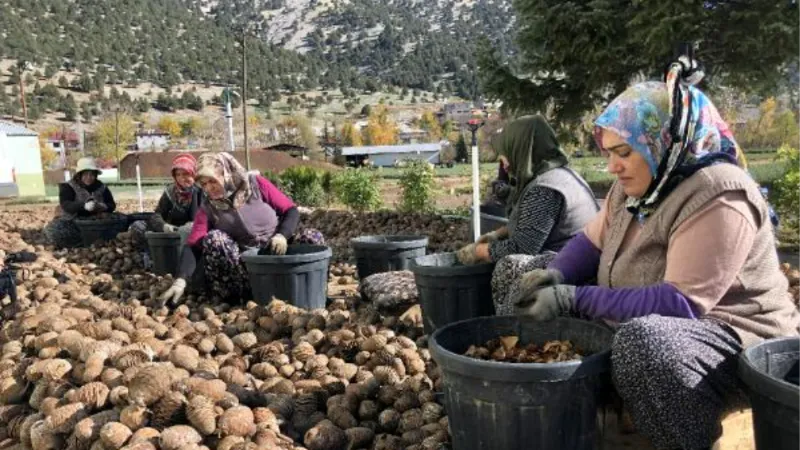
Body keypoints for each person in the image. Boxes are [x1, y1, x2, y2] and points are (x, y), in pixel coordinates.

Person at [513, 74, 800, 449]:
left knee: (645, 344)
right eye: (609, 153)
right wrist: (557, 273)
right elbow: (590, 241)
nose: (613, 166)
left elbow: (680, 304)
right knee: (517, 271)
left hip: (728, 343)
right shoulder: (639, 185)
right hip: (637, 317)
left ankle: (687, 440)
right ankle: (566, 425)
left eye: (625, 152)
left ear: (665, 143)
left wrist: (572, 299)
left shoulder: (720, 193)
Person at [455, 115, 600, 315]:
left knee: (509, 266)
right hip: (578, 260)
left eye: (506, 153)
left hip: (570, 267)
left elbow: (523, 247)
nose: (503, 162)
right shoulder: (560, 174)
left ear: (522, 150)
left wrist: (479, 251)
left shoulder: (545, 189)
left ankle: (510, 329)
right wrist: (498, 234)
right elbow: (534, 224)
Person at [159, 152, 324, 304]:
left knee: (312, 238)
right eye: (203, 184)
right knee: (214, 239)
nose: (209, 188)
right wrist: (180, 280)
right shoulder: (208, 207)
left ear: (226, 174)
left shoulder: (256, 185)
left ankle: (312, 291)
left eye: (213, 181)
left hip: (278, 250)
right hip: (246, 265)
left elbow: (290, 210)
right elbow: (194, 243)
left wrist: (282, 235)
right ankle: (241, 298)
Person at [128, 153, 203, 257]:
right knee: (138, 227)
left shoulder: (201, 191)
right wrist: (164, 226)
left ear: (193, 173)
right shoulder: (170, 192)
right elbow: (156, 215)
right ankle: (153, 256)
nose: (181, 178)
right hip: (171, 233)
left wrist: (188, 228)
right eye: (178, 174)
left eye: (186, 174)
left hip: (192, 234)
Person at [44, 157, 117, 248]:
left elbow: (112, 204)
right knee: (52, 230)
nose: (89, 178)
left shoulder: (101, 187)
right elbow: (66, 205)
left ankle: (94, 242)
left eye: (92, 175)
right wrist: (83, 206)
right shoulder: (68, 187)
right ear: (79, 175)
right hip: (73, 223)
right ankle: (82, 244)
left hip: (97, 223)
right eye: (86, 174)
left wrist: (103, 206)